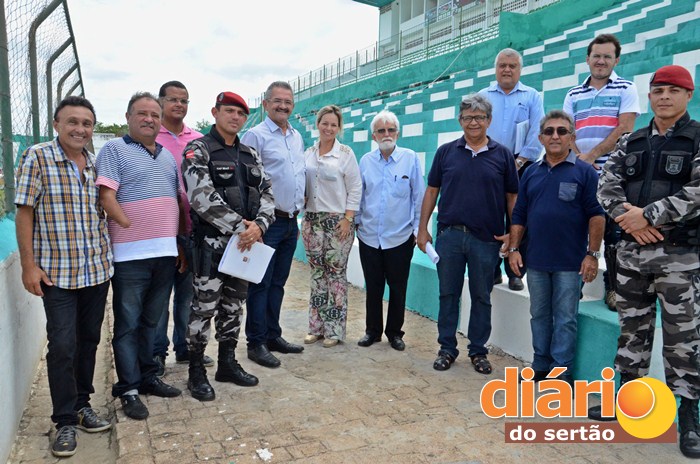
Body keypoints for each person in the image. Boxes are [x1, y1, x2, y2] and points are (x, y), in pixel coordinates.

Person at [594, 65, 700, 458]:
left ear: (688, 95)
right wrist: (631, 220)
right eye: (657, 90)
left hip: (680, 257)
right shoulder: (632, 140)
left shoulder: (698, 137)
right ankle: (627, 404)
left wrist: (649, 215)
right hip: (632, 253)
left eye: (673, 90)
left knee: (683, 340)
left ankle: (689, 418)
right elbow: (607, 186)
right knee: (632, 330)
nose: (664, 97)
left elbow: (698, 190)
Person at [15, 96, 113, 457]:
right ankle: (64, 421)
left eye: (87, 123)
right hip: (56, 275)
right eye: (72, 122)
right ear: (56, 124)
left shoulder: (93, 163)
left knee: (88, 341)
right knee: (62, 346)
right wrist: (29, 265)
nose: (80, 129)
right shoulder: (38, 157)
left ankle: (83, 405)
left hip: (97, 271)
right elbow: (24, 212)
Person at [182, 91, 276, 401]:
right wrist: (243, 228)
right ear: (215, 112)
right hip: (211, 245)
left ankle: (227, 363)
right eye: (229, 111)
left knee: (234, 306)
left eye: (240, 113)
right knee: (204, 308)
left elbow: (267, 194)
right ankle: (196, 371)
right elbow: (201, 198)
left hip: (244, 246)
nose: (235, 117)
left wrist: (259, 225)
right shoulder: (199, 150)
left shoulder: (250, 154)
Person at [417, 94, 519, 374]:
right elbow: (432, 191)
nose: (473, 122)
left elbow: (513, 196)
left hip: (486, 240)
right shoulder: (446, 152)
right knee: (448, 294)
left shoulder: (503, 154)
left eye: (479, 117)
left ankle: (478, 351)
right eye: (467, 117)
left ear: (488, 120)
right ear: (460, 121)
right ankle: (447, 348)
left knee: (481, 296)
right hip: (449, 236)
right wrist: (422, 228)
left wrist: (513, 232)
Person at [96, 92, 182, 421]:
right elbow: (107, 195)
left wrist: (177, 243)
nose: (149, 119)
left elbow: (175, 200)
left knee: (152, 321)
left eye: (154, 115)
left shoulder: (166, 157)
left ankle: (148, 377)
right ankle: (128, 389)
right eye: (142, 113)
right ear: (128, 117)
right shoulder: (114, 149)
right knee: (128, 324)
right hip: (131, 256)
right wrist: (131, 224)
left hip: (165, 253)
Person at [508, 110, 605, 384]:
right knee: (538, 315)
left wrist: (592, 255)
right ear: (540, 138)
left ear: (572, 138)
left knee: (565, 318)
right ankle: (540, 366)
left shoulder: (585, 172)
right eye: (549, 131)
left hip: (570, 262)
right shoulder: (531, 174)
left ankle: (561, 373)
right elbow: (520, 215)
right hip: (536, 261)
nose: (555, 136)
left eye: (562, 131)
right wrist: (514, 249)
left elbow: (597, 216)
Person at [563, 33, 640, 310]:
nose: (601, 61)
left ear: (616, 60)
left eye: (607, 56)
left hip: (615, 172)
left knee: (613, 234)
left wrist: (592, 156)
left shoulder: (626, 88)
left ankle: (613, 289)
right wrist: (582, 160)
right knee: (576, 227)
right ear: (587, 59)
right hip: (580, 170)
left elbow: (625, 127)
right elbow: (567, 130)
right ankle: (575, 286)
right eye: (596, 55)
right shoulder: (573, 93)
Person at [241, 81, 305, 367]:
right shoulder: (255, 136)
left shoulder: (296, 136)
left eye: (288, 102)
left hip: (291, 221)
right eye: (277, 101)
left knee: (278, 283)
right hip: (267, 223)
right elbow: (246, 182)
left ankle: (272, 334)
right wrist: (255, 222)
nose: (283, 106)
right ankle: (256, 342)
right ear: (265, 104)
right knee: (260, 283)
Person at [152, 80, 213, 376]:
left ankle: (185, 348)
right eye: (173, 99)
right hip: (162, 230)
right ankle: (157, 354)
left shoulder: (198, 139)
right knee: (161, 296)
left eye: (184, 101)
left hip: (194, 229)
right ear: (161, 101)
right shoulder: (151, 136)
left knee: (189, 295)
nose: (179, 105)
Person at [355, 110, 425, 351]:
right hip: (369, 236)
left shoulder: (411, 158)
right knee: (372, 286)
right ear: (373, 136)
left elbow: (419, 196)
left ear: (398, 132)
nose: (386, 134)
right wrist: (355, 223)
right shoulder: (365, 161)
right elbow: (359, 196)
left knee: (398, 287)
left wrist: (418, 229)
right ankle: (372, 331)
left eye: (390, 130)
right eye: (381, 131)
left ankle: (395, 332)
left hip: (400, 236)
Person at [479, 47, 545, 291]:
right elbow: (476, 130)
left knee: (518, 219)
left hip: (521, 165)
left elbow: (537, 132)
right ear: (496, 69)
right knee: (489, 219)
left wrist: (517, 162)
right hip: (489, 166)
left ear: (520, 69)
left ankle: (515, 272)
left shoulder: (531, 96)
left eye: (512, 66)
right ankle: (493, 270)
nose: (507, 69)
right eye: (502, 65)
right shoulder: (483, 96)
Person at [301, 105, 362, 347]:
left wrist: (348, 218)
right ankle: (315, 327)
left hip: (338, 222)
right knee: (317, 274)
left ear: (339, 128)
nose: (329, 128)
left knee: (335, 275)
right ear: (318, 124)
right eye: (325, 123)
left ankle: (334, 330)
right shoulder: (308, 152)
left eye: (334, 125)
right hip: (312, 220)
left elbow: (355, 188)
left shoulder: (346, 154)